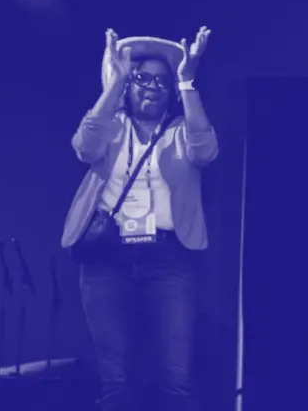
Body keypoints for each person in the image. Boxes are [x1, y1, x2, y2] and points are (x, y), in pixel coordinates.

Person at [62, 28, 218, 411]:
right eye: (142, 78)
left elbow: (206, 151)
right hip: (106, 262)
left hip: (168, 261)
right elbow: (85, 147)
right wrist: (114, 83)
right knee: (116, 378)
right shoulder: (111, 127)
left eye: (162, 81)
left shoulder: (182, 131)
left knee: (175, 377)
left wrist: (186, 81)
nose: (153, 86)